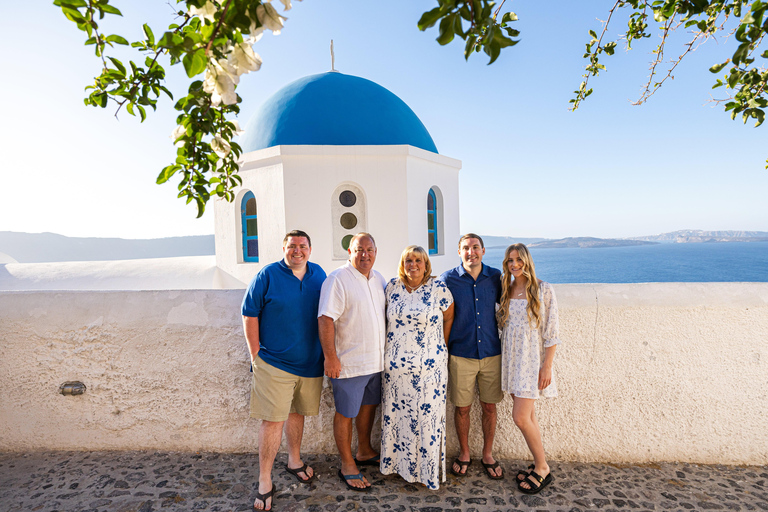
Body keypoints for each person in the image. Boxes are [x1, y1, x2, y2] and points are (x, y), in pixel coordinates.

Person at [241, 230, 327, 511]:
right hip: (274, 363)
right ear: (284, 248)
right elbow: (249, 313)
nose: (297, 251)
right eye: (292, 246)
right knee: (272, 421)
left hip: (310, 364)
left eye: (303, 246)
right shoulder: (267, 275)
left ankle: (294, 460)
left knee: (296, 413)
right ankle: (264, 480)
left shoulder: (319, 275)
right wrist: (256, 356)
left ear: (310, 250)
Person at [380, 246, 455, 489]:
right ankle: (398, 468)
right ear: (403, 264)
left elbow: (449, 316)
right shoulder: (391, 287)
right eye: (408, 260)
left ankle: (428, 473)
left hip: (429, 370)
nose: (413, 264)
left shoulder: (438, 288)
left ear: (426, 264)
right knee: (398, 418)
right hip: (395, 370)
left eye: (418, 260)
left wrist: (439, 346)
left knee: (427, 420)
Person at [318, 233, 386, 492]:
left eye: (369, 249)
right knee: (346, 413)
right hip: (348, 363)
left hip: (375, 362)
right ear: (349, 251)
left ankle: (364, 451)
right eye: (359, 249)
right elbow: (325, 319)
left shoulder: (379, 279)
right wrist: (331, 357)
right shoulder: (338, 279)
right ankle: (347, 464)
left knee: (369, 407)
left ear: (376, 252)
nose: (365, 254)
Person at [497, 243, 561, 495]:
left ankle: (543, 467)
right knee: (529, 416)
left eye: (519, 260)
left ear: (527, 261)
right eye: (510, 260)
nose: (514, 265)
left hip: (531, 362)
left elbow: (552, 333)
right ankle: (538, 462)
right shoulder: (506, 288)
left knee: (520, 417)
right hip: (511, 361)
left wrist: (547, 366)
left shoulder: (543, 289)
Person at [439, 234, 504, 480]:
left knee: (489, 406)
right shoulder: (448, 279)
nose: (471, 252)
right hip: (460, 354)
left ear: (483, 251)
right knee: (462, 408)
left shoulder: (495, 277)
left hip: (491, 352)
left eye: (475, 247)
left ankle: (487, 454)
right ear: (459, 252)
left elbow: (514, 298)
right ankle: (465, 453)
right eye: (466, 248)